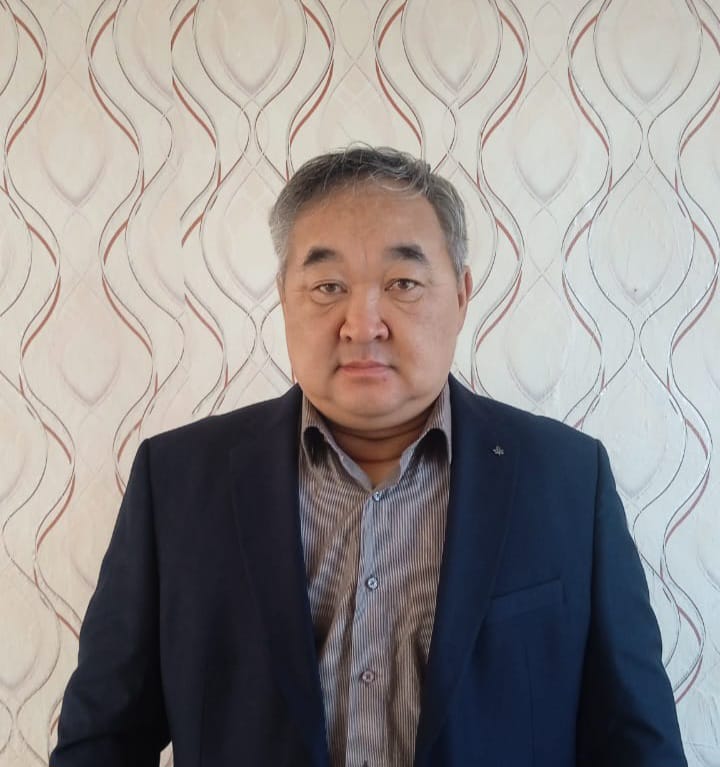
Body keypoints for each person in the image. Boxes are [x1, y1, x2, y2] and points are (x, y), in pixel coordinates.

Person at [51, 147, 686, 767]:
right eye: (327, 286)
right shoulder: (177, 482)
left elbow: (637, 743)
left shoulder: (568, 480)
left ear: (461, 296)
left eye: (403, 283)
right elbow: (103, 740)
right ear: (284, 298)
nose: (362, 324)